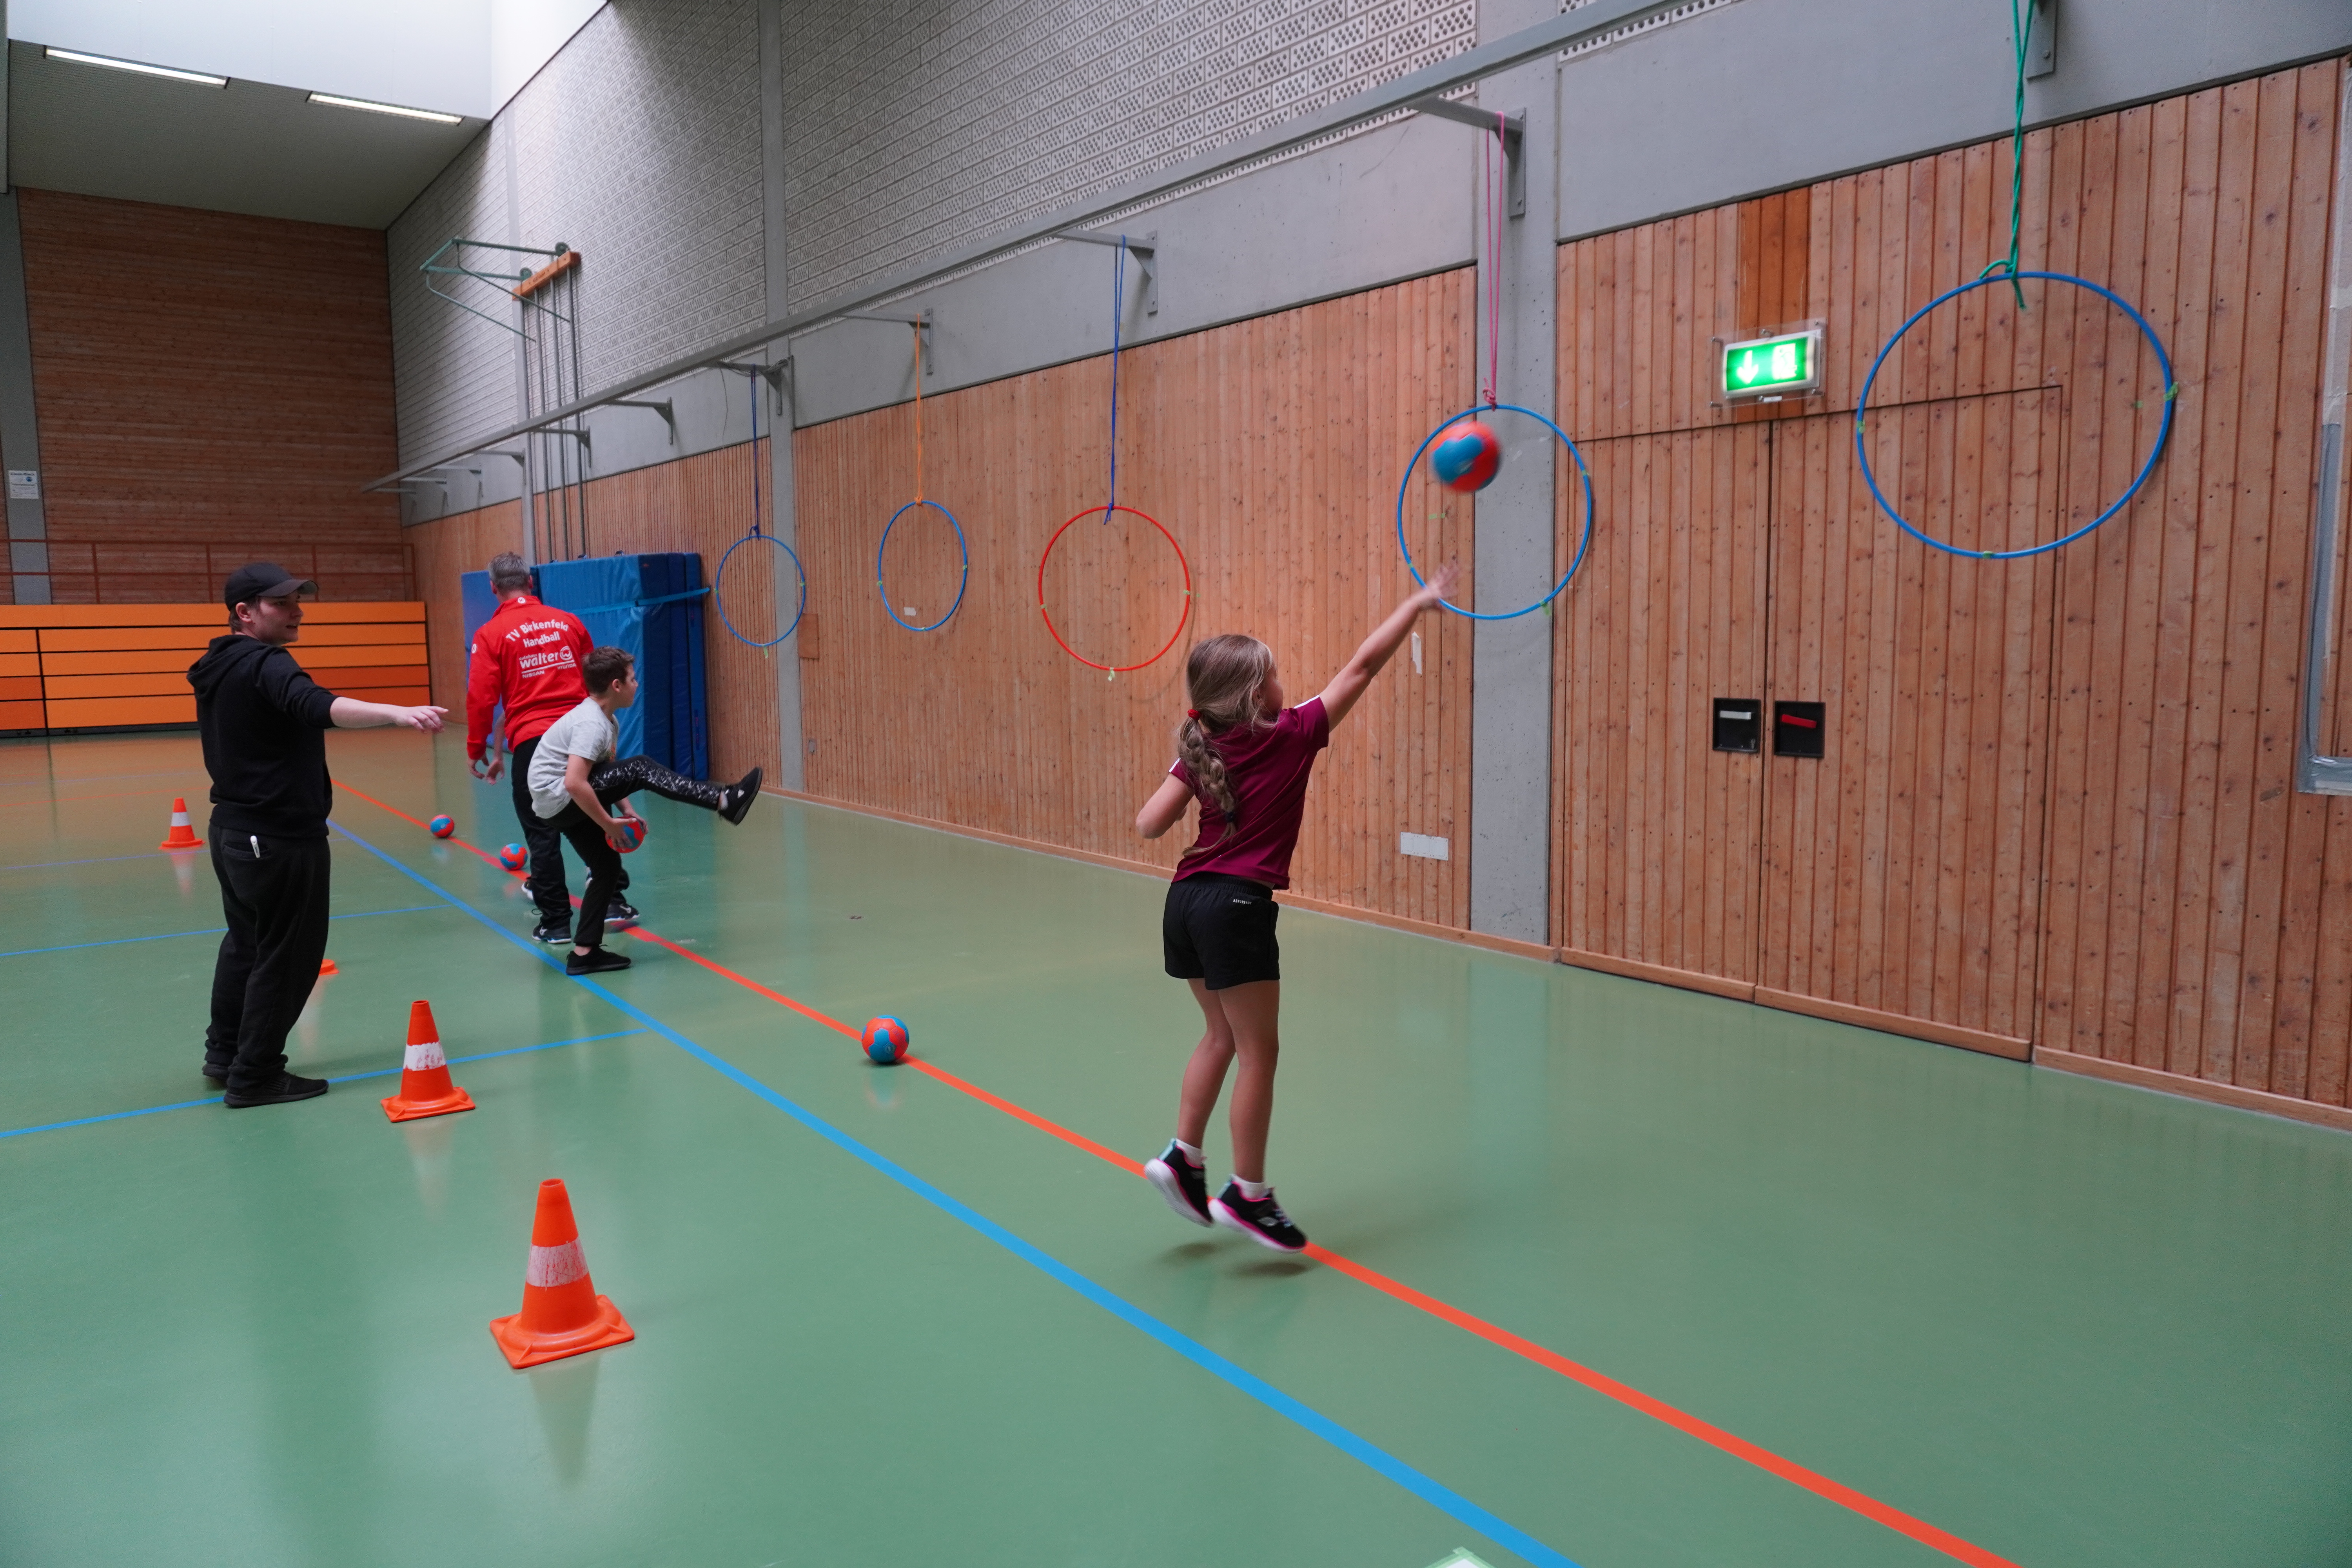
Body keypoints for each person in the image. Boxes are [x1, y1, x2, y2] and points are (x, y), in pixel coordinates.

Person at [1133, 563, 1460, 1252]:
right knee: (1259, 1053)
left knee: (1218, 1037)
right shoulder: (1292, 733)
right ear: (1258, 692)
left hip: (1184, 903)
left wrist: (1184, 773)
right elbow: (1364, 667)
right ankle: (1248, 1195)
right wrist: (1418, 603)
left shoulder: (1201, 747)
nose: (1286, 683)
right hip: (1234, 908)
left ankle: (1182, 1159)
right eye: (1275, 674)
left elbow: (1148, 826)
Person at [191, 563, 448, 1107]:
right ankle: (256, 1073)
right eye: (282, 604)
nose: (297, 612)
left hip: (233, 833)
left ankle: (226, 1053)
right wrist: (396, 713)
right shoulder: (267, 663)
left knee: (246, 946)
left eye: (297, 602)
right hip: (279, 838)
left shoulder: (219, 664)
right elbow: (319, 707)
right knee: (288, 956)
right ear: (245, 612)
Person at [528, 646, 764, 976]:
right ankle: (724, 801)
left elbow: (604, 772)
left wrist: (627, 809)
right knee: (640, 767)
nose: (637, 684)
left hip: (554, 804)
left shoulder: (605, 720)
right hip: (560, 797)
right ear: (616, 685)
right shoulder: (591, 724)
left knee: (606, 866)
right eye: (633, 679)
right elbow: (575, 783)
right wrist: (609, 823)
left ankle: (585, 953)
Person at [464, 551, 637, 944]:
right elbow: (594, 681)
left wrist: (478, 747)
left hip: (533, 740)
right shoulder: (569, 622)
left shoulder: (490, 635)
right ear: (531, 582)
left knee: (542, 830)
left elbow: (481, 697)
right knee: (595, 813)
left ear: (493, 588)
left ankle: (557, 921)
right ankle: (614, 901)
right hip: (581, 735)